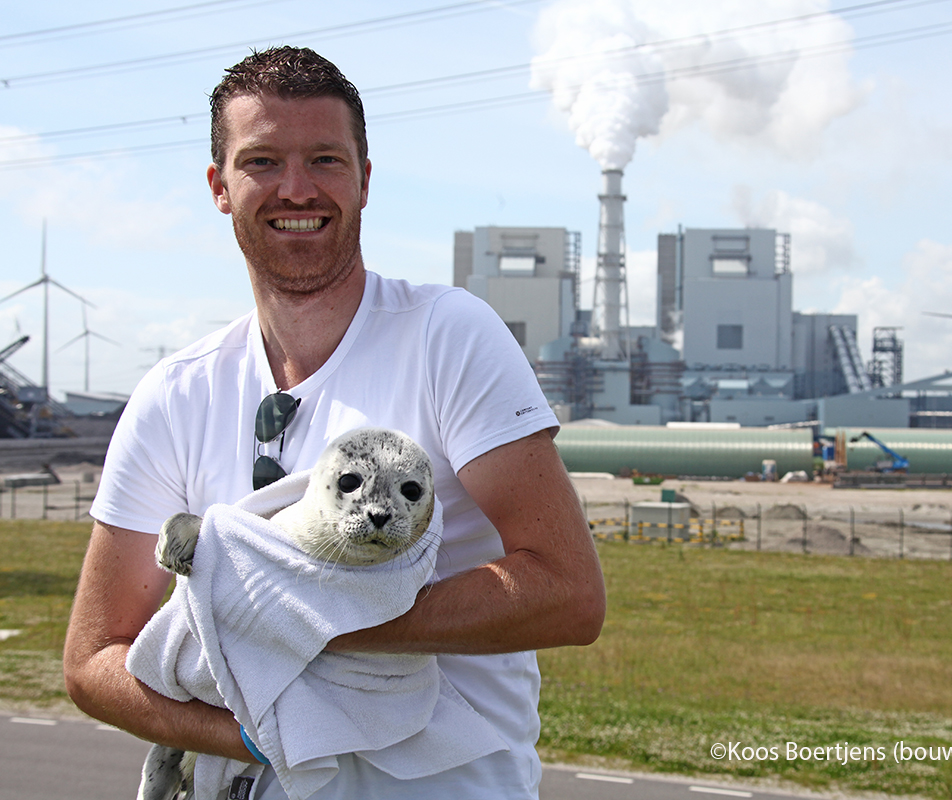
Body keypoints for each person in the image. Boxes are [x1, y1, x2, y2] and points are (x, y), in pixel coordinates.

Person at [63, 46, 605, 799]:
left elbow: (568, 592)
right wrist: (257, 735)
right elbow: (92, 659)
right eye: (261, 162)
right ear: (220, 187)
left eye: (324, 158)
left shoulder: (447, 337)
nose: (296, 188)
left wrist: (293, 621)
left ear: (365, 180)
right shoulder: (176, 393)